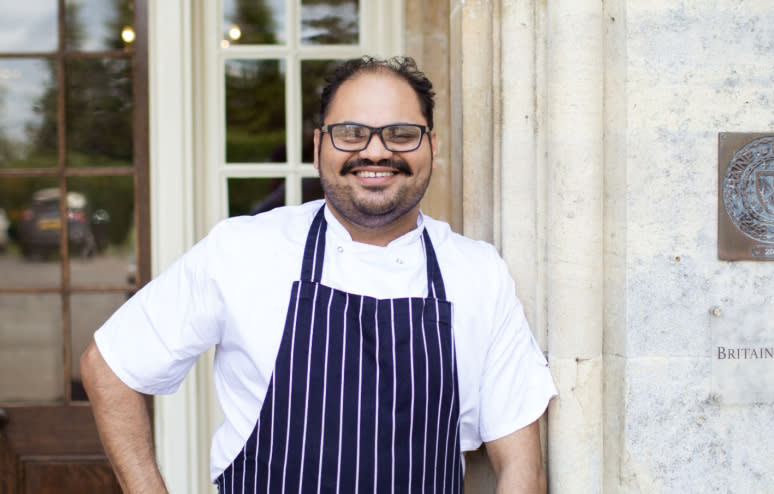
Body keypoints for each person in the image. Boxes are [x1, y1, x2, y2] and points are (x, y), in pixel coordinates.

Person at [80, 55, 557, 493]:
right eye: (351, 133)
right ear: (318, 145)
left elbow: (521, 467)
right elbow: (110, 367)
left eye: (400, 134)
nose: (375, 152)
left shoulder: (478, 274)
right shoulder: (244, 250)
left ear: (430, 145)